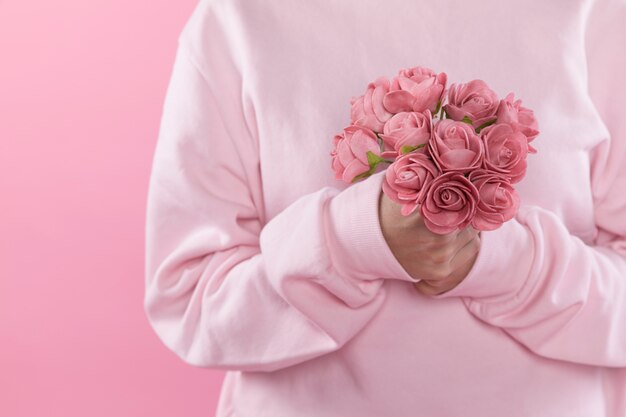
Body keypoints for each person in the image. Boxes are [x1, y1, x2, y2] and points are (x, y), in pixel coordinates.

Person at [143, 0, 626, 415]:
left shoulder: (594, 13)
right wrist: (356, 241)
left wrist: (508, 265)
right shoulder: (237, 19)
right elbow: (188, 301)